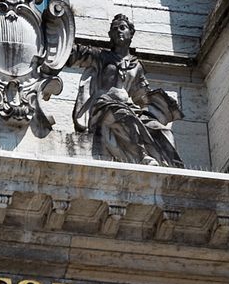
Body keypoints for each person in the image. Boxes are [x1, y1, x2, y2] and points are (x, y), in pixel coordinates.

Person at [73, 13, 184, 168]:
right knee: (125, 116)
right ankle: (142, 156)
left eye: (122, 27)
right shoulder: (101, 56)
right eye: (115, 29)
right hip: (103, 106)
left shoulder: (136, 65)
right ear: (110, 35)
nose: (118, 31)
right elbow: (77, 54)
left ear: (131, 33)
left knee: (162, 131)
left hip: (129, 107)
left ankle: (172, 167)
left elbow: (141, 96)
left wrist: (164, 103)